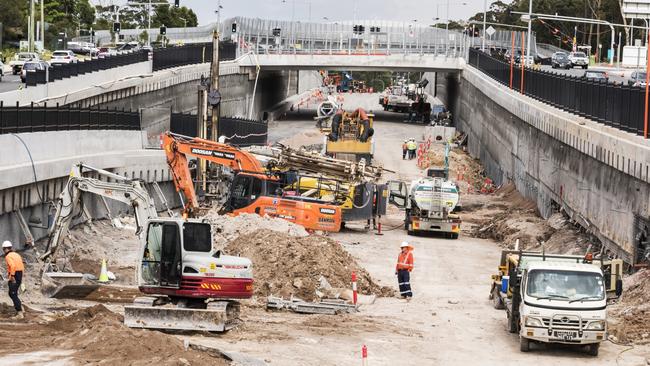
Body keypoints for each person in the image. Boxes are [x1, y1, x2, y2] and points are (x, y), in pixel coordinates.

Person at [3, 241, 25, 319]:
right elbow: (22, 265)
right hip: (19, 273)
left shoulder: (8, 256)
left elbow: (12, 266)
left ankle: (20, 313)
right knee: (12, 293)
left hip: (15, 274)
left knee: (12, 293)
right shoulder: (16, 254)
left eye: (3, 249)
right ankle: (20, 307)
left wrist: (12, 276)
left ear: (5, 249)